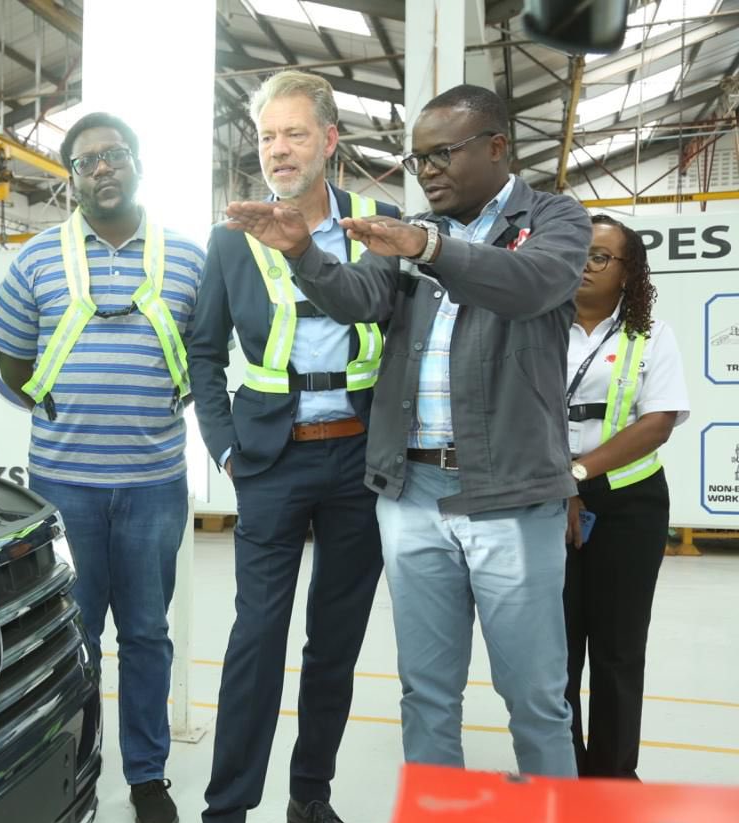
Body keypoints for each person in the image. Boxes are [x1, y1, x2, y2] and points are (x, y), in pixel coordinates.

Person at [222, 84, 592, 782]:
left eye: (442, 154)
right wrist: (304, 253)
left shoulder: (554, 219)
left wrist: (429, 246)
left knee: (536, 700)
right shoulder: (410, 231)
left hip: (509, 495)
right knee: (426, 691)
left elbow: (528, 286)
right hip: (411, 491)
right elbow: (363, 299)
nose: (427, 172)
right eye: (417, 159)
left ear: (496, 147)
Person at [188, 71, 397, 823]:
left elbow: (382, 315)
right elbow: (204, 355)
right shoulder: (230, 238)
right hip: (271, 464)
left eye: (295, 134)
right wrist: (229, 450)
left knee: (334, 647)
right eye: (268, 135)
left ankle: (310, 803)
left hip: (358, 462)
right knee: (256, 643)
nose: (277, 150)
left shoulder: (379, 225)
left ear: (330, 141)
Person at [0, 112, 205, 823]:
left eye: (113, 156)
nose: (101, 170)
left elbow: (204, 358)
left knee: (146, 634)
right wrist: (59, 408)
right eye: (85, 163)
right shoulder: (37, 259)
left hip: (153, 486)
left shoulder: (187, 259)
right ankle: (74, 766)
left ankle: (147, 775)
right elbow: (11, 358)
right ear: (72, 179)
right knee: (73, 637)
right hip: (63, 487)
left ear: (137, 163)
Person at [563, 213, 689, 779]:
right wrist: (558, 485)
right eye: (578, 252)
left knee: (617, 650)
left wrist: (579, 473)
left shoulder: (652, 335)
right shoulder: (536, 326)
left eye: (600, 257)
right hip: (549, 504)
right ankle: (561, 766)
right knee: (555, 652)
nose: (585, 265)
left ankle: (612, 776)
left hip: (630, 507)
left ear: (627, 271)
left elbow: (657, 421)